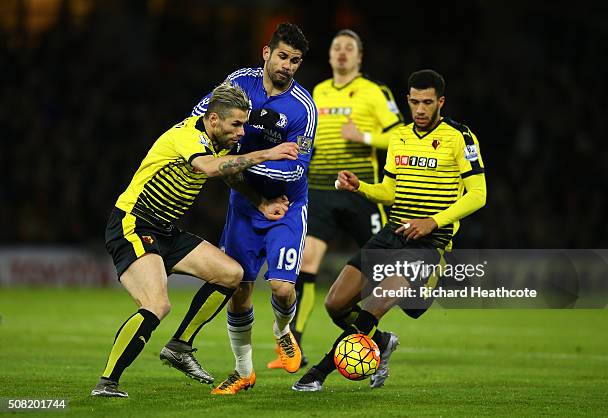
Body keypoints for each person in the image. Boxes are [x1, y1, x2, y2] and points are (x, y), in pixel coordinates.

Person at [91, 82, 299, 398]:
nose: (242, 132)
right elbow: (210, 168)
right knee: (157, 305)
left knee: (232, 274)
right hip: (133, 223)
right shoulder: (186, 137)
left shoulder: (220, 142)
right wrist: (267, 154)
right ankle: (107, 383)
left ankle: (180, 346)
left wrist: (260, 202)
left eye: (244, 124)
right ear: (213, 119)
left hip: (165, 231)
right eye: (236, 124)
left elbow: (230, 174)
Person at [292, 69, 487, 391]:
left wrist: (432, 222)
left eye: (427, 102)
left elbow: (478, 195)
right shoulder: (400, 136)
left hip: (429, 242)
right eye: (414, 102)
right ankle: (381, 343)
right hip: (391, 233)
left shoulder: (460, 136)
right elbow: (391, 190)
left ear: (440, 102)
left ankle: (318, 373)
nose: (420, 109)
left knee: (373, 305)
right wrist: (361, 188)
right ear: (408, 101)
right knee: (335, 304)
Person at [160, 22, 317, 395]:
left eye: (295, 61)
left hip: (287, 204)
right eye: (282, 56)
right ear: (266, 52)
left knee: (281, 287)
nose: (288, 66)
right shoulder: (239, 82)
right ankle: (243, 371)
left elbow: (296, 166)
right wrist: (248, 163)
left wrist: (237, 159)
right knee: (240, 287)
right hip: (246, 202)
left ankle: (283, 332)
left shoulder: (303, 108)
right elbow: (201, 118)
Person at [267, 29, 405, 370]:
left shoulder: (375, 92)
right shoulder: (318, 92)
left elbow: (401, 136)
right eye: (336, 48)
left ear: (359, 57)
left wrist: (365, 136)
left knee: (379, 269)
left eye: (349, 48)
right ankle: (294, 347)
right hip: (321, 188)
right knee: (307, 263)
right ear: (329, 57)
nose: (342, 53)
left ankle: (376, 336)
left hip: (362, 190)